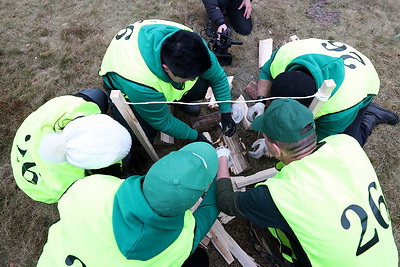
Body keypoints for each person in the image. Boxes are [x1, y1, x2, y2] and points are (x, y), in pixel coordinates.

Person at [217, 98, 398, 266]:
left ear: (276, 148)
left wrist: (222, 159)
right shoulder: (346, 144)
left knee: (266, 224)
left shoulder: (277, 195)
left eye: (266, 138)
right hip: (387, 260)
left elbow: (225, 201)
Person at [37, 142, 220, 266]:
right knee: (199, 260)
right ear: (193, 200)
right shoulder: (180, 243)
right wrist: (223, 169)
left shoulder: (92, 186)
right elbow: (210, 209)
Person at [99, 19, 236, 150]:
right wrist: (194, 136)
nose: (193, 80)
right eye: (187, 78)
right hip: (124, 87)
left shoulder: (195, 45)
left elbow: (218, 77)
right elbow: (162, 122)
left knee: (201, 84)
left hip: (150, 63)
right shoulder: (141, 82)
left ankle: (177, 100)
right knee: (143, 133)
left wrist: (225, 112)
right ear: (166, 68)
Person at [246, 38, 399, 151]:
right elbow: (267, 71)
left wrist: (275, 147)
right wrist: (260, 101)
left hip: (362, 78)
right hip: (333, 55)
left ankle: (370, 115)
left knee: (347, 147)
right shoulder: (284, 56)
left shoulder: (338, 108)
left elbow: (313, 140)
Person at [10, 89, 132, 203]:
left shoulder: (75, 109)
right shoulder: (72, 184)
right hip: (38, 188)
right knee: (125, 167)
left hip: (35, 129)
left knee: (97, 95)